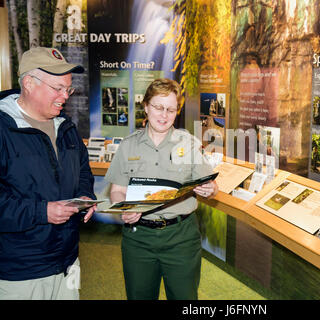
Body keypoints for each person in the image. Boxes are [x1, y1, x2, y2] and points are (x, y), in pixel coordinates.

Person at [105, 78, 218, 300]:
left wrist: (210, 189)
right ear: (145, 106)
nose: (164, 115)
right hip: (139, 240)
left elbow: (211, 186)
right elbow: (117, 190)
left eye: (171, 109)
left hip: (181, 238)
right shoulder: (128, 145)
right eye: (158, 107)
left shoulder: (189, 143)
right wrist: (124, 209)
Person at [0, 47, 97, 299]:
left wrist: (85, 196)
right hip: (22, 270)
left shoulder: (66, 127)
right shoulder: (3, 129)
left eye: (69, 89)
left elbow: (83, 171)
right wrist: (41, 212)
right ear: (29, 83)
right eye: (58, 88)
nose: (65, 96)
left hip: (67, 261)